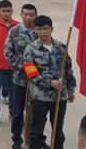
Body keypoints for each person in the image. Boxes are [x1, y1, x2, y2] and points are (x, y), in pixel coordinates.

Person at [23, 15, 76, 149]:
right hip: (40, 97)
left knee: (58, 131)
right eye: (39, 29)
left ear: (52, 29)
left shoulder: (61, 47)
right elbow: (30, 72)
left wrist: (71, 90)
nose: (43, 32)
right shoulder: (30, 49)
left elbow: (68, 69)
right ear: (35, 30)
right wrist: (49, 82)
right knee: (36, 132)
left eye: (45, 29)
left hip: (59, 97)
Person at [4, 3, 38, 149]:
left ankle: (33, 139)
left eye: (31, 15)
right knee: (17, 112)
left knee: (36, 112)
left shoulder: (40, 31)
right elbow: (8, 52)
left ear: (36, 16)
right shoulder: (15, 31)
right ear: (21, 15)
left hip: (38, 81)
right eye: (26, 14)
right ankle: (17, 139)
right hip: (20, 80)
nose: (28, 18)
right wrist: (23, 68)